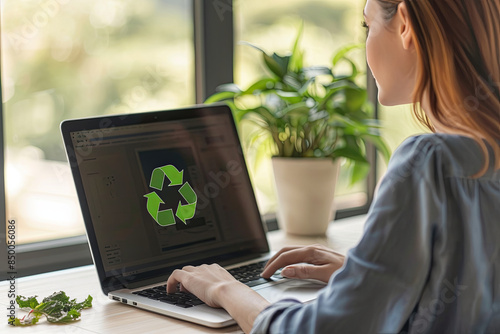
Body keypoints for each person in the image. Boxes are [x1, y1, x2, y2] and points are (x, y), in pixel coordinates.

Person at [166, 0, 500, 332]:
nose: (365, 42)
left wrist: (225, 289)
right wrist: (365, 276)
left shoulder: (430, 162)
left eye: (367, 26)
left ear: (405, 25)